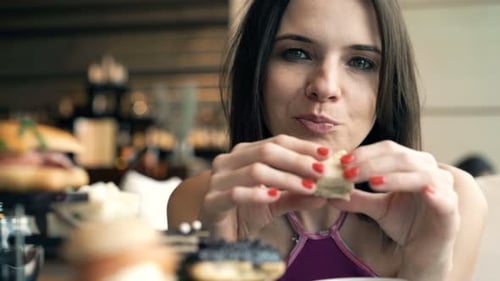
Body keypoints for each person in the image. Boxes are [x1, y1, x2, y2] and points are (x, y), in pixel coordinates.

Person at [167, 1, 487, 280]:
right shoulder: (204, 201)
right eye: (296, 53)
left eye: (361, 62)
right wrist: (224, 264)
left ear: (390, 84)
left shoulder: (450, 203)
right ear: (257, 69)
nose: (325, 86)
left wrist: (425, 270)